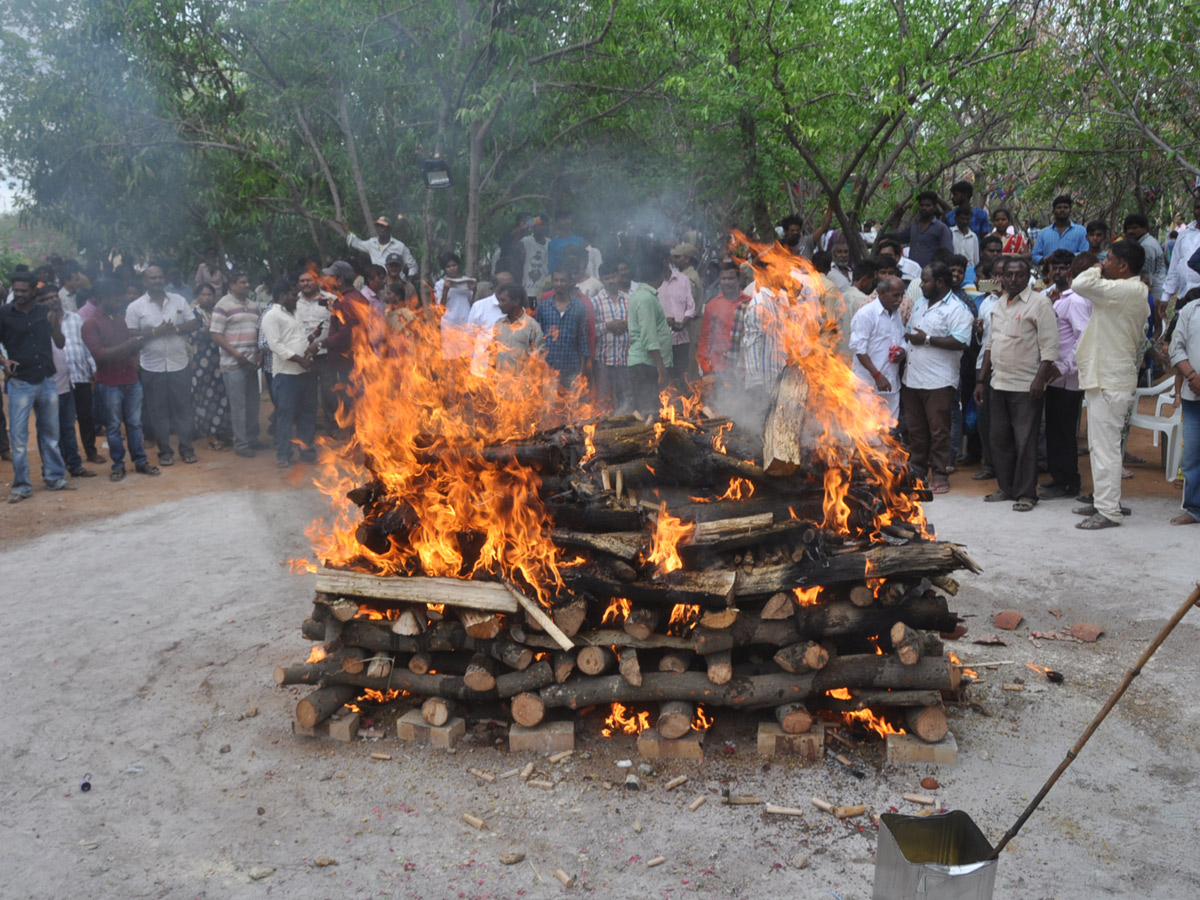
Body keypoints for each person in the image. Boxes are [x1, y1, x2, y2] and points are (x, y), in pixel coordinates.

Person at [1069, 242, 1150, 529]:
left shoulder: (1126, 290)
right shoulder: (1131, 290)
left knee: (1105, 448)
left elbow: (1079, 283)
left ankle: (1109, 511)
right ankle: (1105, 501)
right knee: (1102, 446)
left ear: (1123, 266)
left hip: (1110, 379)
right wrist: (1103, 267)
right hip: (1108, 377)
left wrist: (1095, 267)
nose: (1104, 263)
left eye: (1109, 259)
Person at [974, 258, 1059, 511]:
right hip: (998, 382)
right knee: (999, 439)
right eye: (1008, 275)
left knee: (1025, 441)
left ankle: (1026, 494)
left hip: (1026, 385)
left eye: (1019, 275)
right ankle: (1006, 488)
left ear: (1027, 277)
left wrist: (1039, 379)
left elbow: (1050, 348)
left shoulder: (1040, 303)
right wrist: (981, 380)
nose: (1013, 280)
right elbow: (990, 344)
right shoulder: (999, 303)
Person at [901, 261, 973, 493]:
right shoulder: (921, 303)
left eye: (925, 281)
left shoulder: (958, 309)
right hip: (912, 379)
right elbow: (912, 332)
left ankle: (940, 473)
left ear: (940, 282)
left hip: (938, 381)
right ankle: (918, 471)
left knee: (939, 431)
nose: (921, 285)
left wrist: (929, 339)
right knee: (916, 430)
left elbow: (962, 342)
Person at [0, 272, 72, 502]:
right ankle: (22, 486)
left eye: (23, 290)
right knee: (19, 439)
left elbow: (60, 344)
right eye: (16, 290)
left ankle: (54, 478)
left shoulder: (45, 313)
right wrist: (3, 361)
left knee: (51, 435)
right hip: (20, 383)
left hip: (47, 381)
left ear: (33, 291)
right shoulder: (4, 314)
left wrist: (56, 327)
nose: (19, 294)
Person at [81, 279, 159, 481]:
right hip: (109, 382)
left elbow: (129, 346)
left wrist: (136, 349)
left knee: (134, 424)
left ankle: (140, 461)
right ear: (101, 299)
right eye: (114, 299)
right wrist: (128, 345)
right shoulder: (90, 324)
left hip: (130, 379)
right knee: (114, 426)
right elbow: (99, 355)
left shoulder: (119, 319)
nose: (119, 302)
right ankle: (118, 465)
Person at [126, 264, 201, 466]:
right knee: (158, 411)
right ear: (145, 281)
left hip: (179, 363)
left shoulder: (179, 300)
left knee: (184, 409)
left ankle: (186, 450)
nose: (157, 281)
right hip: (152, 366)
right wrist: (154, 333)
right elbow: (130, 335)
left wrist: (175, 329)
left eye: (160, 277)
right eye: (153, 278)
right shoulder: (136, 307)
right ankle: (165, 452)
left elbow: (193, 323)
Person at [1039, 252, 1095, 501]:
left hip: (1067, 377)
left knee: (1064, 431)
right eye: (1055, 268)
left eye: (1064, 267)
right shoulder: (1051, 296)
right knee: (1054, 429)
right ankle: (1060, 477)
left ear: (1072, 271)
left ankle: (1070, 482)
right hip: (1052, 376)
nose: (1059, 272)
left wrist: (1064, 368)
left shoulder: (1076, 301)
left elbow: (1083, 337)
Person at [261, 280, 319, 468]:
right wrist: (301, 360)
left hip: (304, 373)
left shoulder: (293, 314)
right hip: (286, 375)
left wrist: (311, 340)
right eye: (294, 295)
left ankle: (306, 450)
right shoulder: (272, 315)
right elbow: (276, 345)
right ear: (282, 296)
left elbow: (296, 339)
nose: (297, 298)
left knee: (307, 413)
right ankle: (284, 454)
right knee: (286, 414)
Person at [41, 285, 96, 479]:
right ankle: (58, 466)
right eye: (48, 298)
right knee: (53, 428)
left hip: (76, 376)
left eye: (55, 296)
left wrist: (92, 367)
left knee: (77, 421)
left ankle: (78, 462)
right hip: (52, 383)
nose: (54, 300)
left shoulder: (75, 318)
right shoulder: (40, 323)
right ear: (41, 302)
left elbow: (84, 344)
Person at [209, 271, 262, 457]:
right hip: (233, 364)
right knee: (238, 406)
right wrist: (236, 354)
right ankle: (241, 445)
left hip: (251, 363)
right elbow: (215, 334)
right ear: (232, 285)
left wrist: (258, 356)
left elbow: (259, 333)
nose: (247, 285)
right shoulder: (223, 305)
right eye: (242, 282)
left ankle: (252, 439)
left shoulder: (253, 306)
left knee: (253, 404)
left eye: (248, 282)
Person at [850, 274, 906, 425]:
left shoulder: (896, 314)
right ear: (881, 293)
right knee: (866, 433)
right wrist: (877, 375)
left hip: (891, 385)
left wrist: (902, 351)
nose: (900, 300)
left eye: (902, 295)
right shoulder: (867, 314)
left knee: (888, 432)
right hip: (868, 387)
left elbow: (901, 339)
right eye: (896, 295)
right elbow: (859, 349)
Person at [1168, 286, 1200, 524]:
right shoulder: (1190, 310)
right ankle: (1194, 508)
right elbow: (1175, 348)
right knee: (1192, 454)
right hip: (1193, 394)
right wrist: (1192, 376)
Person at [188, 283, 233, 451]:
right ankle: (211, 436)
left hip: (220, 357)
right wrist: (209, 330)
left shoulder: (217, 311)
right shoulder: (193, 313)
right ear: (197, 296)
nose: (206, 298)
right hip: (202, 361)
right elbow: (192, 336)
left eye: (209, 295)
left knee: (223, 396)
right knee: (206, 398)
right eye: (203, 294)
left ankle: (224, 432)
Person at [626, 251, 672, 414]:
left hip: (644, 365)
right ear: (659, 274)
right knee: (648, 413)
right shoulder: (646, 298)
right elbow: (649, 336)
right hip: (645, 365)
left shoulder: (643, 295)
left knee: (649, 412)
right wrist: (661, 367)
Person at [534, 268, 590, 387]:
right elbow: (537, 338)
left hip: (572, 368)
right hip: (549, 368)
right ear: (552, 282)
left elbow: (583, 339)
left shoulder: (579, 307)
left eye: (563, 281)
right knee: (548, 405)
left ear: (570, 282)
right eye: (556, 280)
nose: (559, 284)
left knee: (573, 404)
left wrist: (583, 369)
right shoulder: (544, 306)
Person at [591, 262, 631, 413]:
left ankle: (625, 429)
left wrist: (627, 324)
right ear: (601, 279)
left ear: (619, 276)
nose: (611, 281)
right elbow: (590, 331)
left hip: (625, 359)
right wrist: (608, 326)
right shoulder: (595, 302)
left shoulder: (629, 300)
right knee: (603, 399)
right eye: (607, 278)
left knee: (625, 398)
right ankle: (605, 428)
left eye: (613, 277)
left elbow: (637, 326)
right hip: (603, 361)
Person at [657, 248, 696, 386]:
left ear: (668, 260)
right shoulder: (654, 285)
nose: (661, 262)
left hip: (682, 339)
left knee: (683, 377)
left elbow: (691, 307)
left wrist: (682, 323)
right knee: (666, 379)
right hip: (663, 342)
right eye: (658, 260)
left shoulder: (683, 280)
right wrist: (665, 321)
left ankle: (683, 406)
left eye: (663, 259)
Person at [487, 284, 544, 374]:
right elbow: (492, 354)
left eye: (503, 301)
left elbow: (538, 362)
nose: (500, 304)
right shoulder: (499, 324)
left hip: (521, 386)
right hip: (499, 384)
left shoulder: (532, 326)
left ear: (516, 302)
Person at [467, 270, 514, 372]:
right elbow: (470, 337)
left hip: (507, 372)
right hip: (482, 368)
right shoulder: (479, 307)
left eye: (511, 286)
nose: (509, 290)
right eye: (505, 287)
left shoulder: (517, 309)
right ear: (495, 287)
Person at [343, 215, 417, 278]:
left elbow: (413, 265)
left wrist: (409, 281)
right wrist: (347, 231)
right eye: (378, 226)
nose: (380, 229)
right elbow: (356, 243)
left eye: (383, 226)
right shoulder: (371, 243)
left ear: (389, 229)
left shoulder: (399, 246)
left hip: (396, 285)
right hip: (378, 284)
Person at [1123, 213, 1167, 317]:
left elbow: (1146, 274)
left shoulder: (1147, 246)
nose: (1131, 231)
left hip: (1154, 291)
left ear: (1144, 228)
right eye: (1128, 228)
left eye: (1135, 228)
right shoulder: (1144, 242)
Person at [1164, 196, 1200, 313]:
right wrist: (1165, 297)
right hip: (1183, 298)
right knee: (1178, 330)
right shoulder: (1185, 234)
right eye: (1197, 207)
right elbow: (1174, 267)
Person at [1031, 195, 1089, 264]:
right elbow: (1035, 256)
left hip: (1073, 273)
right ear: (1053, 211)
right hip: (1049, 273)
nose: (1062, 210)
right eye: (1059, 207)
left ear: (1070, 210)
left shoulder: (1081, 231)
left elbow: (1085, 253)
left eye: (1065, 207)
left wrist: (1068, 258)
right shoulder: (1044, 233)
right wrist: (1046, 259)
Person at [907, 192, 954, 269]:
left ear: (934, 207)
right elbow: (898, 237)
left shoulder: (941, 228)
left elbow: (947, 255)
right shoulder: (914, 226)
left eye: (928, 205)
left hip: (931, 274)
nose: (924, 208)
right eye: (922, 205)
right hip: (912, 272)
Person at [520, 216, 550, 297]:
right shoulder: (526, 241)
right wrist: (528, 224)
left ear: (547, 227)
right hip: (528, 291)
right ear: (533, 227)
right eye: (537, 225)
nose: (540, 227)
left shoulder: (550, 243)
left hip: (544, 290)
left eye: (542, 225)